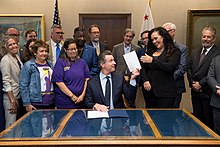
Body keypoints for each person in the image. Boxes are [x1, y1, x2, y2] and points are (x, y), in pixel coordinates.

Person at [187, 26, 220, 129]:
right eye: (204, 36)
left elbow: (212, 74)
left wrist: (200, 84)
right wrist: (192, 82)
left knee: (208, 123)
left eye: (208, 37)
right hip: (195, 93)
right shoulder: (195, 51)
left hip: (208, 93)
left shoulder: (218, 52)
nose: (205, 39)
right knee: (197, 121)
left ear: (214, 39)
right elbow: (189, 68)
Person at [140, 27, 181, 108]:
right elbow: (143, 68)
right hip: (149, 92)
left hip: (165, 93)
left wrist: (152, 61)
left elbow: (170, 67)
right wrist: (145, 80)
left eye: (156, 38)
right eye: (152, 40)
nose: (154, 42)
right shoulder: (150, 52)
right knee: (149, 117)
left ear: (163, 37)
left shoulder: (174, 51)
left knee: (163, 118)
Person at [52, 38, 91, 109]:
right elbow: (59, 82)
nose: (73, 51)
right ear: (65, 50)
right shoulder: (60, 62)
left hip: (81, 101)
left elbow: (87, 79)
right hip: (64, 102)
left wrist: (82, 95)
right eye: (71, 49)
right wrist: (72, 96)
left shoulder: (82, 62)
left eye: (75, 49)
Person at [20, 40, 54, 112]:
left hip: (51, 102)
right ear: (35, 53)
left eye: (46, 51)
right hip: (36, 102)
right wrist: (27, 104)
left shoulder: (50, 64)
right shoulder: (28, 65)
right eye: (41, 51)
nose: (44, 53)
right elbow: (23, 86)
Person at [112, 28, 140, 107]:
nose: (128, 38)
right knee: (118, 100)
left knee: (131, 100)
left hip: (132, 77)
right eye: (127, 36)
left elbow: (137, 65)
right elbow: (113, 63)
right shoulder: (116, 48)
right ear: (123, 36)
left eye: (130, 37)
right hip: (119, 77)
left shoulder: (137, 49)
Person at [163, 22, 187, 108]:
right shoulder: (160, 47)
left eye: (166, 32)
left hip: (175, 85)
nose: (164, 35)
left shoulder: (181, 48)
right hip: (161, 87)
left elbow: (182, 67)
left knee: (174, 112)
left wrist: (168, 78)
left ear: (173, 32)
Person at [0, 37, 23, 127]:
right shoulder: (5, 60)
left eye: (14, 43)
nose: (13, 46)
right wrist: (12, 100)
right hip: (10, 98)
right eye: (10, 45)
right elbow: (6, 81)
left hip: (18, 95)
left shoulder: (17, 57)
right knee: (10, 126)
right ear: (6, 47)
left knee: (17, 126)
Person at [207, 55, 220, 135]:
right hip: (217, 103)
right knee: (217, 131)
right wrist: (218, 89)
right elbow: (210, 77)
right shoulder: (216, 59)